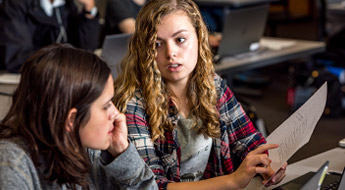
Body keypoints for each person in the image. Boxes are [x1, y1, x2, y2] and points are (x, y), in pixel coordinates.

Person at [113, 0, 286, 189]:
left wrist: (264, 165)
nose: (171, 53)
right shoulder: (134, 104)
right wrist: (233, 181)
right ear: (144, 49)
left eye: (180, 40)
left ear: (199, 38)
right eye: (157, 44)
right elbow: (153, 186)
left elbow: (247, 140)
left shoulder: (212, 84)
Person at [0, 43, 158, 189]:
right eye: (106, 106)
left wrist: (122, 152)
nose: (117, 115)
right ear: (71, 120)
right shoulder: (11, 165)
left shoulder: (86, 148)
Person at [0, 0, 100, 73]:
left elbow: (86, 50)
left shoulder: (66, 6)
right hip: (23, 79)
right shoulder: (15, 5)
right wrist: (66, 65)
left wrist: (89, 9)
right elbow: (18, 58)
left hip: (58, 76)